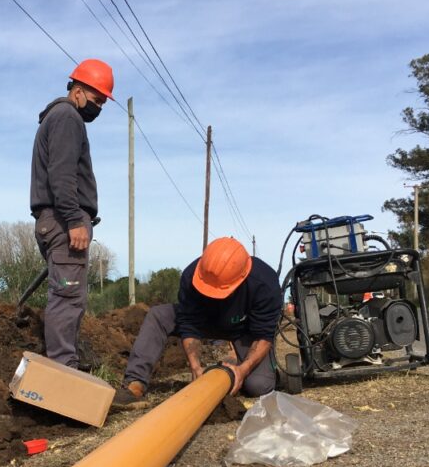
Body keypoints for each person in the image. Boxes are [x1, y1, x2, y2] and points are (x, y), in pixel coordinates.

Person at [113, 237, 283, 406]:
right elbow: (188, 323)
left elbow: (263, 336)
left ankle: (243, 367)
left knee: (259, 385)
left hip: (244, 329)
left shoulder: (265, 283)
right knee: (158, 315)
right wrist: (195, 366)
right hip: (205, 321)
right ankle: (135, 382)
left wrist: (242, 371)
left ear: (241, 278)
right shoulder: (192, 275)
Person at [30, 58, 114, 369]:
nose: (99, 107)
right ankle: (63, 375)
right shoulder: (67, 117)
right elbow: (62, 175)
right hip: (64, 221)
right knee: (67, 299)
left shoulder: (57, 118)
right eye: (96, 99)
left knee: (69, 296)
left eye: (103, 103)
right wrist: (75, 220)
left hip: (55, 222)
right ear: (78, 90)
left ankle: (65, 366)